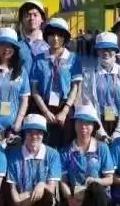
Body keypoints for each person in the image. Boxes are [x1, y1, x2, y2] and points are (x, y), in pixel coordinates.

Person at [57, 105, 114, 206]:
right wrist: (69, 197)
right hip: (75, 199)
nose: (84, 127)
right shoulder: (65, 151)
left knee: (96, 188)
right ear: (74, 125)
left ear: (94, 126)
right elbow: (63, 181)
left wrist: (96, 180)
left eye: (88, 123)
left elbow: (109, 179)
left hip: (96, 198)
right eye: (80, 122)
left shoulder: (102, 148)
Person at [4, 114, 61, 206]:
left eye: (38, 132)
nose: (34, 136)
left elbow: (51, 189)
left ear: (43, 135)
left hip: (41, 204)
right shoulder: (14, 155)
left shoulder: (52, 154)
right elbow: (13, 192)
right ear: (24, 134)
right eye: (30, 132)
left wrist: (41, 185)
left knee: (46, 194)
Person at [30, 17, 83, 149]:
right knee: (44, 145)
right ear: (47, 36)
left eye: (60, 35)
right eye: (52, 34)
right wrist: (45, 111)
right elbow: (34, 90)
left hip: (65, 106)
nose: (55, 38)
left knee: (66, 144)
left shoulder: (73, 59)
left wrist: (65, 111)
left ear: (65, 37)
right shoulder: (39, 59)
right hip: (44, 106)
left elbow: (75, 88)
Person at [78, 30, 120, 142]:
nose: (106, 53)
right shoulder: (90, 74)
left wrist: (119, 132)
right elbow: (88, 102)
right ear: (97, 51)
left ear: (116, 51)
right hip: (98, 123)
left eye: (110, 49)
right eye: (102, 49)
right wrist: (101, 132)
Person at [0, 27, 30, 145]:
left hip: (13, 130)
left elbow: (24, 100)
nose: (6, 49)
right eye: (2, 44)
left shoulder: (21, 72)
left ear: (15, 48)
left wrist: (17, 125)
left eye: (10, 45)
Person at [17, 0, 49, 72]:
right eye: (27, 15)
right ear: (21, 19)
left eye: (35, 15)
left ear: (42, 19)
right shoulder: (15, 44)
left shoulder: (49, 43)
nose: (31, 18)